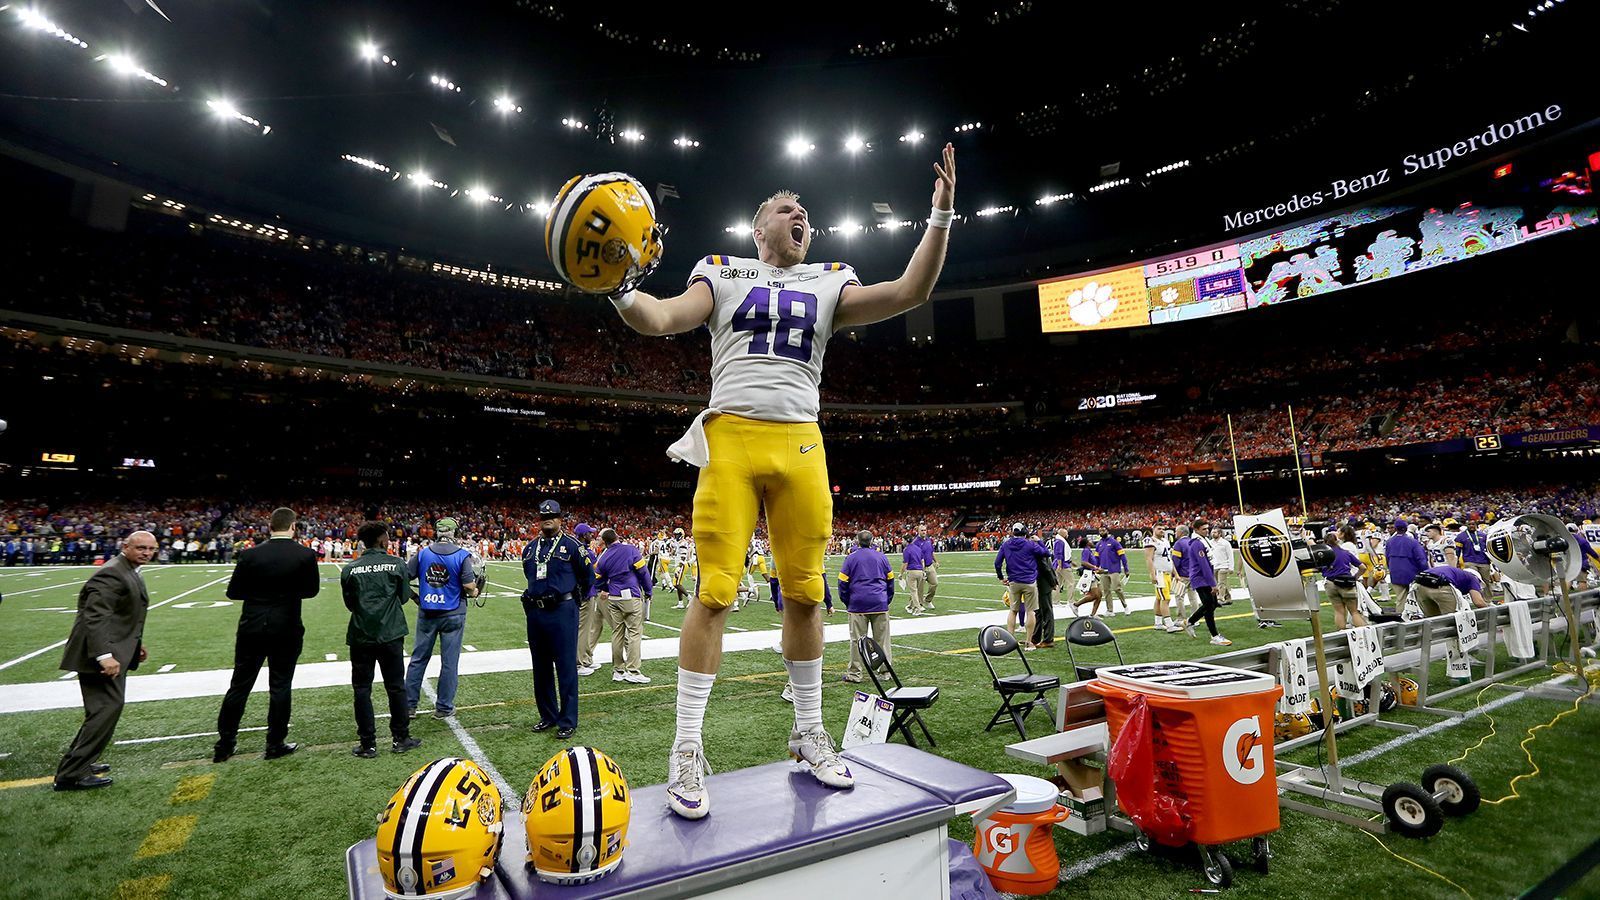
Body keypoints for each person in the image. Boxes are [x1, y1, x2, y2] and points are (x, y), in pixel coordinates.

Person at [599, 143, 957, 821]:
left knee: (805, 594)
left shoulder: (831, 279)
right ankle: (686, 747)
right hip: (731, 436)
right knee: (714, 593)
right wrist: (620, 290)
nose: (802, 216)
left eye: (806, 213)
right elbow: (661, 318)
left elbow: (910, 291)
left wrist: (940, 216)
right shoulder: (721, 270)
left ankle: (808, 730)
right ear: (758, 229)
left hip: (800, 440)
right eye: (787, 209)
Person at [214, 507, 320, 763]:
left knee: (239, 685)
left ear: (269, 526)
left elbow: (233, 593)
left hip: (252, 625)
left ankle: (225, 744)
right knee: (280, 685)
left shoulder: (250, 555)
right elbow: (311, 591)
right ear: (293, 526)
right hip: (286, 626)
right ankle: (275, 743)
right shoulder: (305, 554)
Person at [54, 531, 157, 791]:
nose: (147, 553)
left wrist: (134, 646)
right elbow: (96, 617)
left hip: (112, 651)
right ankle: (71, 774)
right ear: (126, 547)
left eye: (151, 548)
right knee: (105, 710)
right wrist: (104, 655)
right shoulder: (113, 572)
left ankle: (81, 763)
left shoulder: (128, 569)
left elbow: (119, 616)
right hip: (97, 656)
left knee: (102, 710)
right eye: (141, 548)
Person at [340, 522, 422, 758]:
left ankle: (368, 744)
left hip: (360, 634)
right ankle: (400, 738)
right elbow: (405, 597)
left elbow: (350, 604)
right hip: (391, 632)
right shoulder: (396, 564)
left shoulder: (350, 568)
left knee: (362, 689)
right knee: (396, 686)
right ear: (382, 540)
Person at [520, 499, 592, 739]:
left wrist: (573, 601)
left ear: (561, 519)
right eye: (543, 517)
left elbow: (588, 577)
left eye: (553, 516)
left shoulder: (572, 546)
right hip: (536, 612)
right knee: (540, 667)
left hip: (562, 610)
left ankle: (568, 720)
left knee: (566, 667)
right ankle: (548, 715)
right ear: (539, 520)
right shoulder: (530, 548)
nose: (547, 519)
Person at [403, 517, 483, 719]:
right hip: (453, 613)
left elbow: (404, 578)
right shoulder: (462, 555)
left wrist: (414, 598)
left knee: (418, 659)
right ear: (454, 533)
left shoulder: (423, 554)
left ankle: (409, 706)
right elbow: (468, 586)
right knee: (449, 663)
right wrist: (476, 590)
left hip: (428, 612)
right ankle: (444, 707)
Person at [591, 526, 652, 684]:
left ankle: (618, 670)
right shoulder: (630, 550)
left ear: (605, 541)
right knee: (634, 633)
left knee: (617, 633)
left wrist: (605, 588)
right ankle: (633, 670)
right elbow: (643, 572)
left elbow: (597, 579)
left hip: (614, 597)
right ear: (617, 536)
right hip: (630, 595)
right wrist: (648, 590)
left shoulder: (604, 556)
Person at [839, 530, 894, 683]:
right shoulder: (881, 557)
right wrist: (885, 599)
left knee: (857, 641)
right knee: (882, 640)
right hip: (879, 602)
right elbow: (890, 580)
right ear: (872, 541)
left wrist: (848, 601)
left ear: (857, 541)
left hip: (858, 604)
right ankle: (885, 672)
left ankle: (855, 674)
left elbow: (842, 582)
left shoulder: (851, 558)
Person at [995, 523, 1051, 649]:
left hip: (1014, 581)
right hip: (1029, 581)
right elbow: (1046, 553)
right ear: (1025, 532)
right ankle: (1029, 642)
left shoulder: (1006, 544)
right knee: (1030, 611)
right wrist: (1039, 541)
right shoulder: (1030, 544)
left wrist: (1001, 577)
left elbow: (997, 563)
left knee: (1013, 610)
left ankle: (1010, 640)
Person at [1183, 520, 1231, 646]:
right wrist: (1213, 584)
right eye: (1204, 529)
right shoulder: (1197, 544)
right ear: (1196, 530)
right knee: (1209, 604)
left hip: (1204, 577)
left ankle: (1189, 622)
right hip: (1200, 578)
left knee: (1212, 604)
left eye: (1207, 528)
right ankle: (1214, 635)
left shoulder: (1202, 540)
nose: (1207, 531)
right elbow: (1204, 565)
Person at [573, 523, 606, 676]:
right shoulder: (584, 551)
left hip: (582, 593)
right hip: (585, 593)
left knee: (585, 629)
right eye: (589, 533)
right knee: (582, 629)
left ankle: (585, 659)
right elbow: (594, 572)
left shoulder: (576, 548)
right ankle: (579, 662)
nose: (592, 535)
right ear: (583, 535)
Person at [1322, 526, 1368, 630]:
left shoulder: (1323, 555)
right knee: (1354, 612)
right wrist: (1355, 577)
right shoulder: (1345, 552)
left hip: (1330, 583)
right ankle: (1366, 635)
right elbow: (1363, 567)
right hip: (1346, 583)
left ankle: (1341, 635)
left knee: (1339, 611)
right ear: (1337, 541)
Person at [1413, 565, 1487, 616]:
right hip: (1441, 584)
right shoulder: (1473, 578)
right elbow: (1478, 602)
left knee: (1432, 620)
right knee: (1451, 618)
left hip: (1419, 584)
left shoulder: (1457, 573)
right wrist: (1491, 611)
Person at [1384, 517, 1429, 600]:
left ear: (1395, 528)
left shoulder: (1389, 541)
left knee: (1401, 599)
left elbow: (1387, 558)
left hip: (1395, 572)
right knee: (1416, 599)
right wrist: (1425, 571)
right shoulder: (1413, 542)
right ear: (1406, 528)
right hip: (1412, 572)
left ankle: (1401, 613)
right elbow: (1421, 559)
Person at [1091, 528, 1130, 616]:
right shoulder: (1099, 544)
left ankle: (1125, 606)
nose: (1102, 532)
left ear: (1107, 531)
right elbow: (1096, 558)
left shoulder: (1114, 542)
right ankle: (1110, 610)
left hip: (1114, 569)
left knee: (1117, 588)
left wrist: (1126, 568)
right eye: (1100, 531)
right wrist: (1095, 568)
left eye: (1103, 530)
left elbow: (1122, 555)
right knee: (1106, 590)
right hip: (1103, 570)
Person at [1455, 518, 1495, 594]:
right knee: (1474, 580)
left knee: (1486, 581)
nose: (1471, 526)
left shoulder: (1483, 535)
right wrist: (1457, 562)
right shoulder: (1460, 537)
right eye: (1469, 524)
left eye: (1473, 524)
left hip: (1484, 561)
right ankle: (1477, 599)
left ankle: (1488, 600)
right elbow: (1457, 551)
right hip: (1469, 561)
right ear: (1466, 525)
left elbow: (1489, 548)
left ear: (1476, 525)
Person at [900, 530, 928, 617]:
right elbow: (922, 561)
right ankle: (910, 606)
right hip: (920, 571)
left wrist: (901, 573)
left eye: (903, 540)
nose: (902, 541)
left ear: (906, 541)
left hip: (912, 571)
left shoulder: (906, 550)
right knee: (915, 590)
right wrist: (923, 571)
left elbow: (905, 563)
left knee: (913, 591)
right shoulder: (918, 548)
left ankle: (918, 608)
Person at [912, 523, 939, 610]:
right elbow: (915, 555)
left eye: (925, 530)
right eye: (922, 530)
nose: (924, 532)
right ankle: (918, 604)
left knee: (934, 583)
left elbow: (931, 552)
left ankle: (927, 600)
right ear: (918, 531)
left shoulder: (928, 540)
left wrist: (936, 561)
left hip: (930, 565)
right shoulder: (915, 542)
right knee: (920, 587)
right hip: (920, 567)